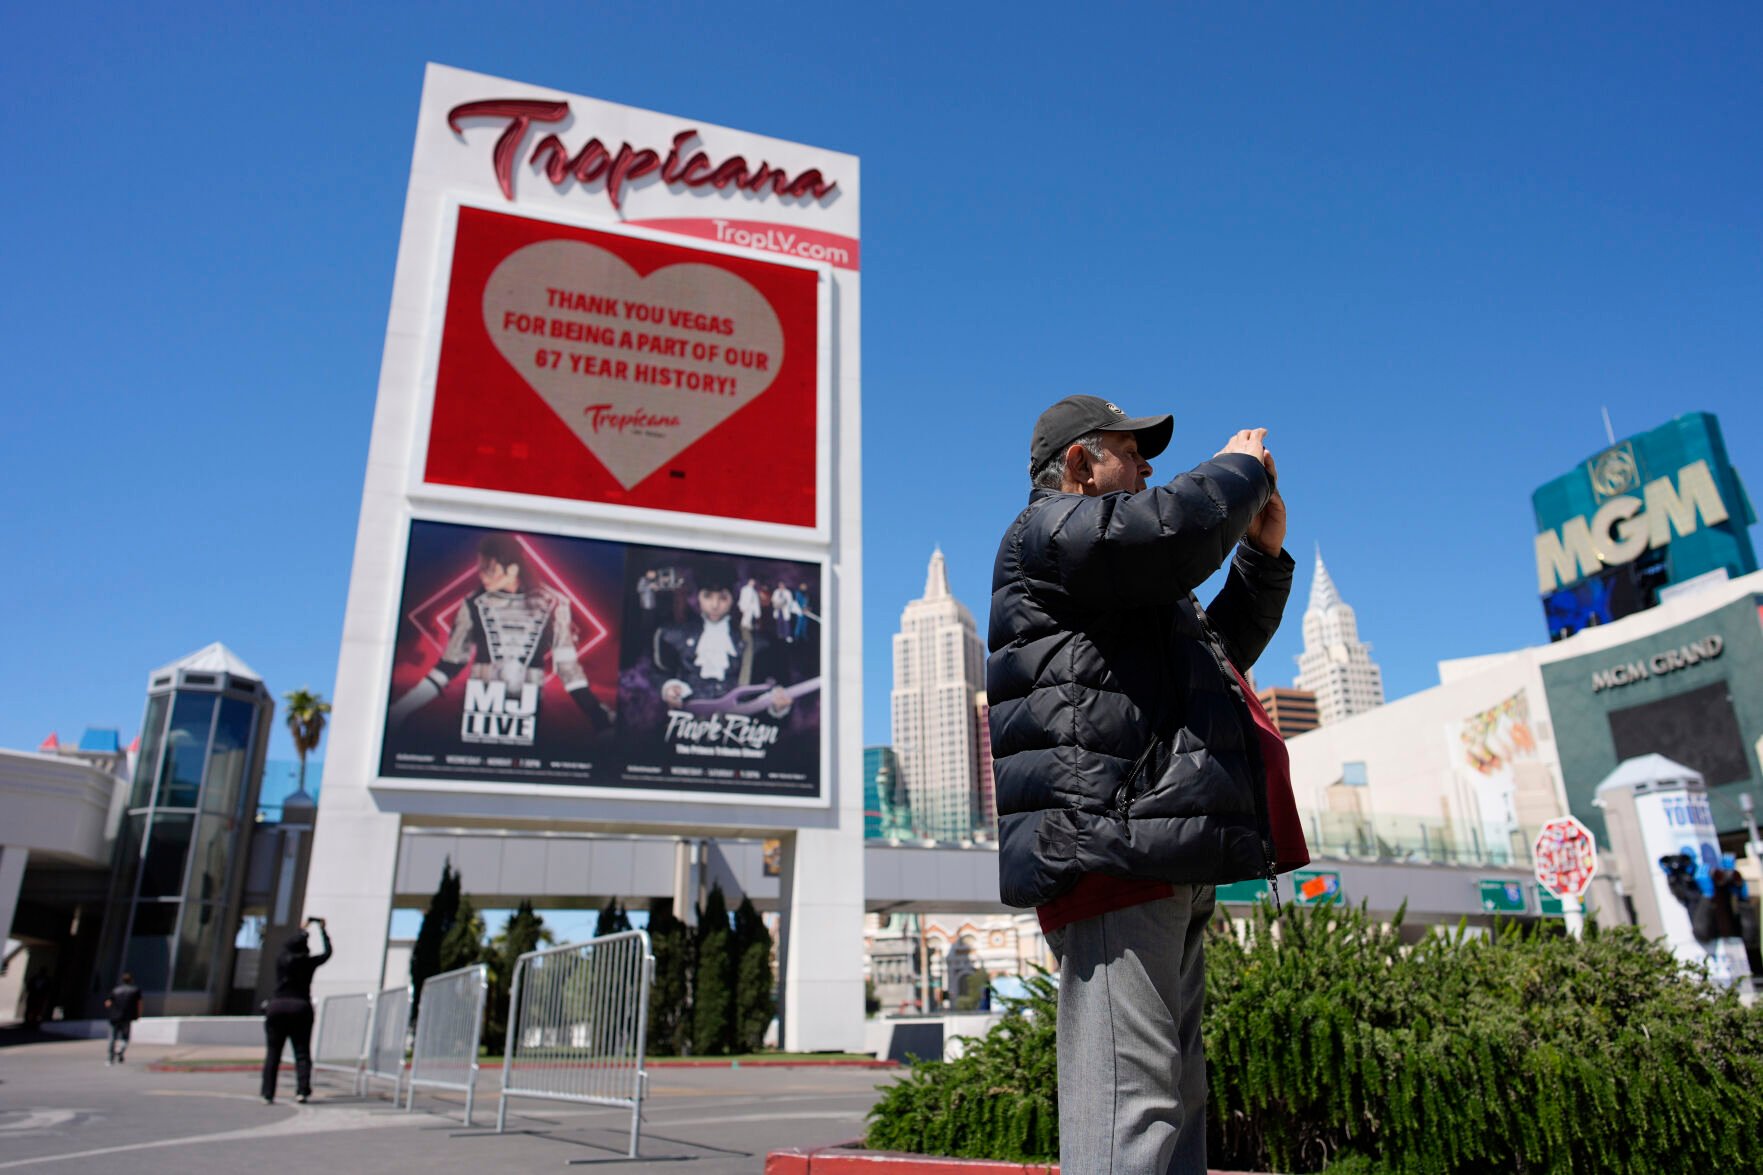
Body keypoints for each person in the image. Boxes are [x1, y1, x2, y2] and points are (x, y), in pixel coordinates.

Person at [986, 395, 1306, 1173]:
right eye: (1131, 452)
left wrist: (1259, 563)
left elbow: (1211, 663)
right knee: (1131, 1110)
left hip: (1156, 851)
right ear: (1079, 464)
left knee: (1172, 1099)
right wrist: (1236, 470)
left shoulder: (1113, 573)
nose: (1149, 467)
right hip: (1110, 852)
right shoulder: (1048, 533)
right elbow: (1176, 525)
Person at [387, 532, 609, 732]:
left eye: (489, 569)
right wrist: (401, 710)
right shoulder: (473, 603)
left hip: (528, 714)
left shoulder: (554, 604)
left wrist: (599, 718)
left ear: (512, 569)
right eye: (481, 569)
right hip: (479, 709)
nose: (483, 576)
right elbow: (449, 664)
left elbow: (568, 668)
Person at [654, 567, 792, 716]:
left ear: (733, 598)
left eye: (722, 598)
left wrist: (778, 705)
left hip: (737, 724)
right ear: (698, 597)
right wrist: (670, 688)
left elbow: (770, 687)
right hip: (686, 723)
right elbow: (658, 673)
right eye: (708, 596)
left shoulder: (757, 642)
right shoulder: (674, 635)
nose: (714, 605)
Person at [261, 917, 332, 1104]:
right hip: (300, 1007)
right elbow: (327, 953)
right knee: (302, 1053)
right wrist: (323, 931)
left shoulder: (282, 960)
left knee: (273, 1054)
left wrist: (302, 929)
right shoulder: (308, 962)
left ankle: (268, 1093)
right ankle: (302, 1091)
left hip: (277, 1006)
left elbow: (290, 943)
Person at [103, 972, 143, 1065]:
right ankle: (121, 1050)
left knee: (112, 1038)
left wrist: (113, 1009)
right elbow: (139, 1004)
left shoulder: (116, 990)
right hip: (127, 1017)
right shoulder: (135, 990)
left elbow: (108, 1003)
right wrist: (138, 1015)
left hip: (114, 1017)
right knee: (125, 1037)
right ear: (131, 980)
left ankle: (110, 1058)